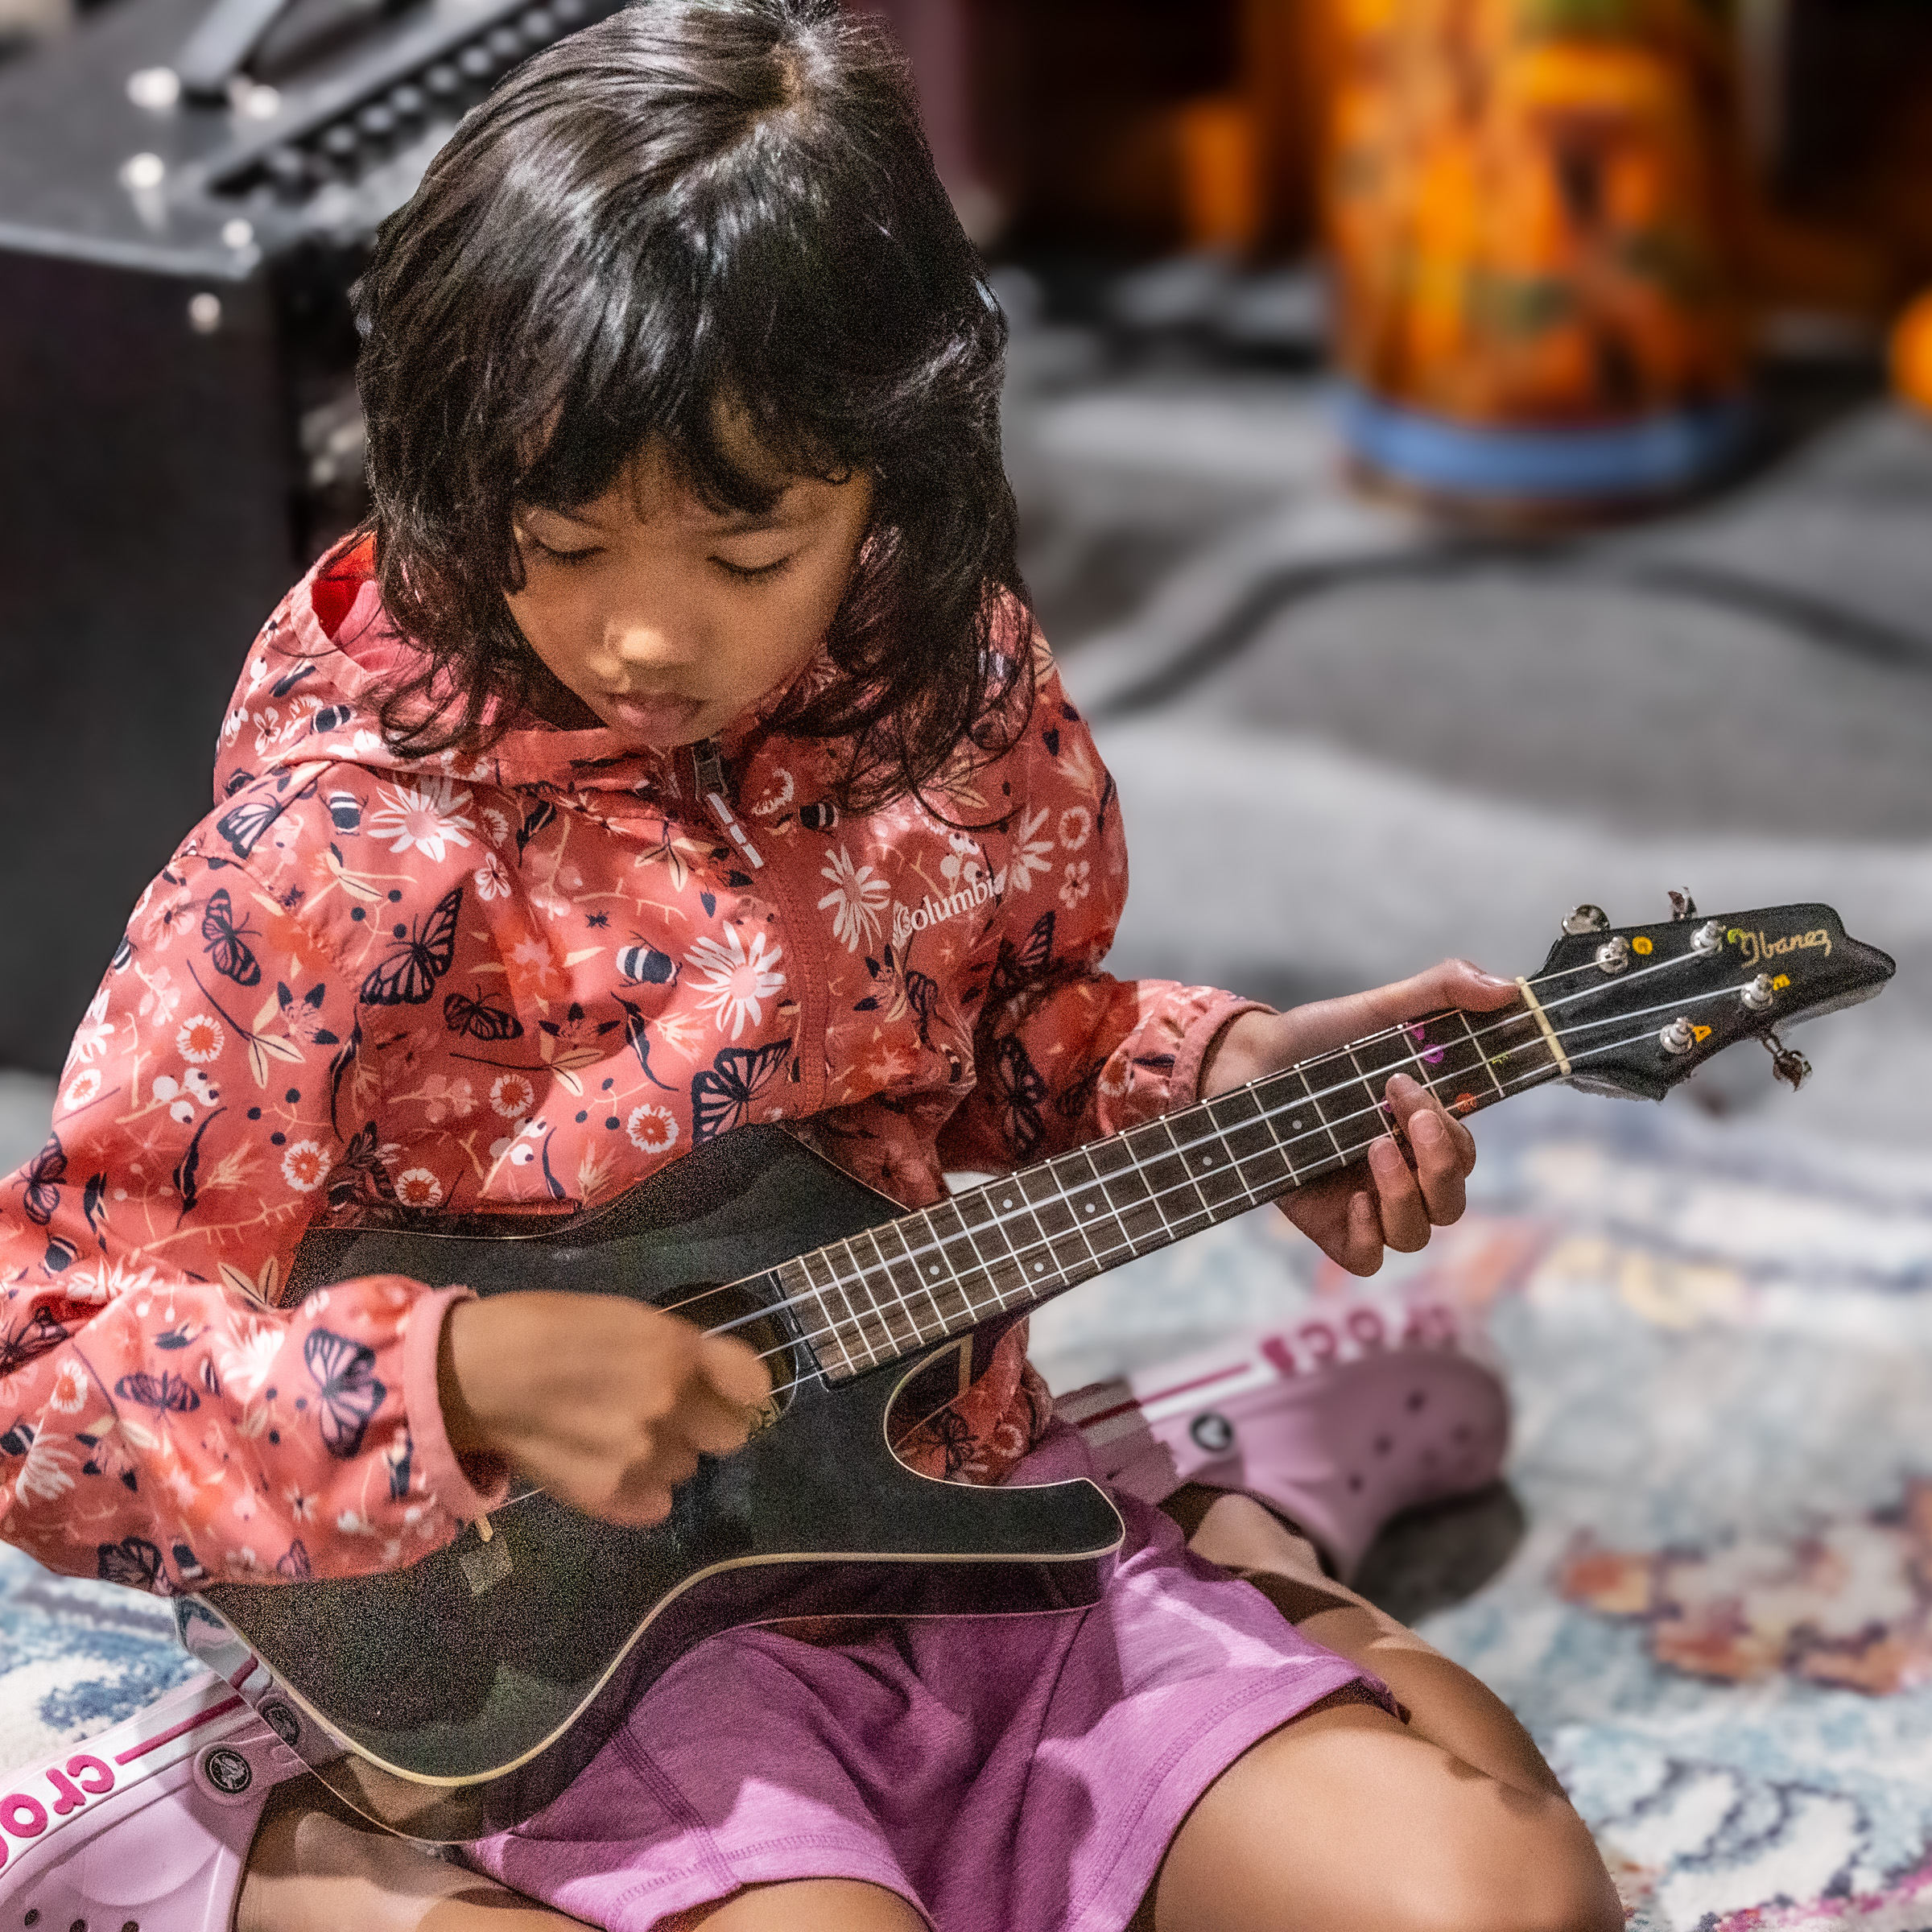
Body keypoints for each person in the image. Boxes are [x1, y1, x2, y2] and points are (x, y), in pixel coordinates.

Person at [0, 5, 1621, 1927]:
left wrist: (1223, 1070)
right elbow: (43, 1372)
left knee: (1509, 1898)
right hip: (577, 1644)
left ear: (892, 479)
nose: (643, 637)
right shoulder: (334, 858)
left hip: (947, 1503)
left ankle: (1222, 1517)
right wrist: (458, 1378)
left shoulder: (952, 689)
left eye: (747, 551)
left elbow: (1014, 1031)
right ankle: (245, 1840)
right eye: (561, 539)